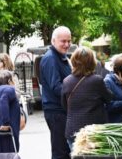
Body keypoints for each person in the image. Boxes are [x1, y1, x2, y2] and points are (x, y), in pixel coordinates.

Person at [61, 47, 113, 148]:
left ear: (73, 61)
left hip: (73, 131)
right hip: (94, 132)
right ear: (92, 62)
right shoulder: (97, 80)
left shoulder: (66, 81)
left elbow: (64, 106)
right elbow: (109, 98)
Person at [40, 26, 72, 159]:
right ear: (53, 41)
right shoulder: (51, 58)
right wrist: (77, 95)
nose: (67, 44)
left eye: (69, 41)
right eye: (63, 41)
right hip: (56, 111)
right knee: (60, 152)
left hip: (61, 110)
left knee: (64, 150)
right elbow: (57, 87)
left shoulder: (59, 56)